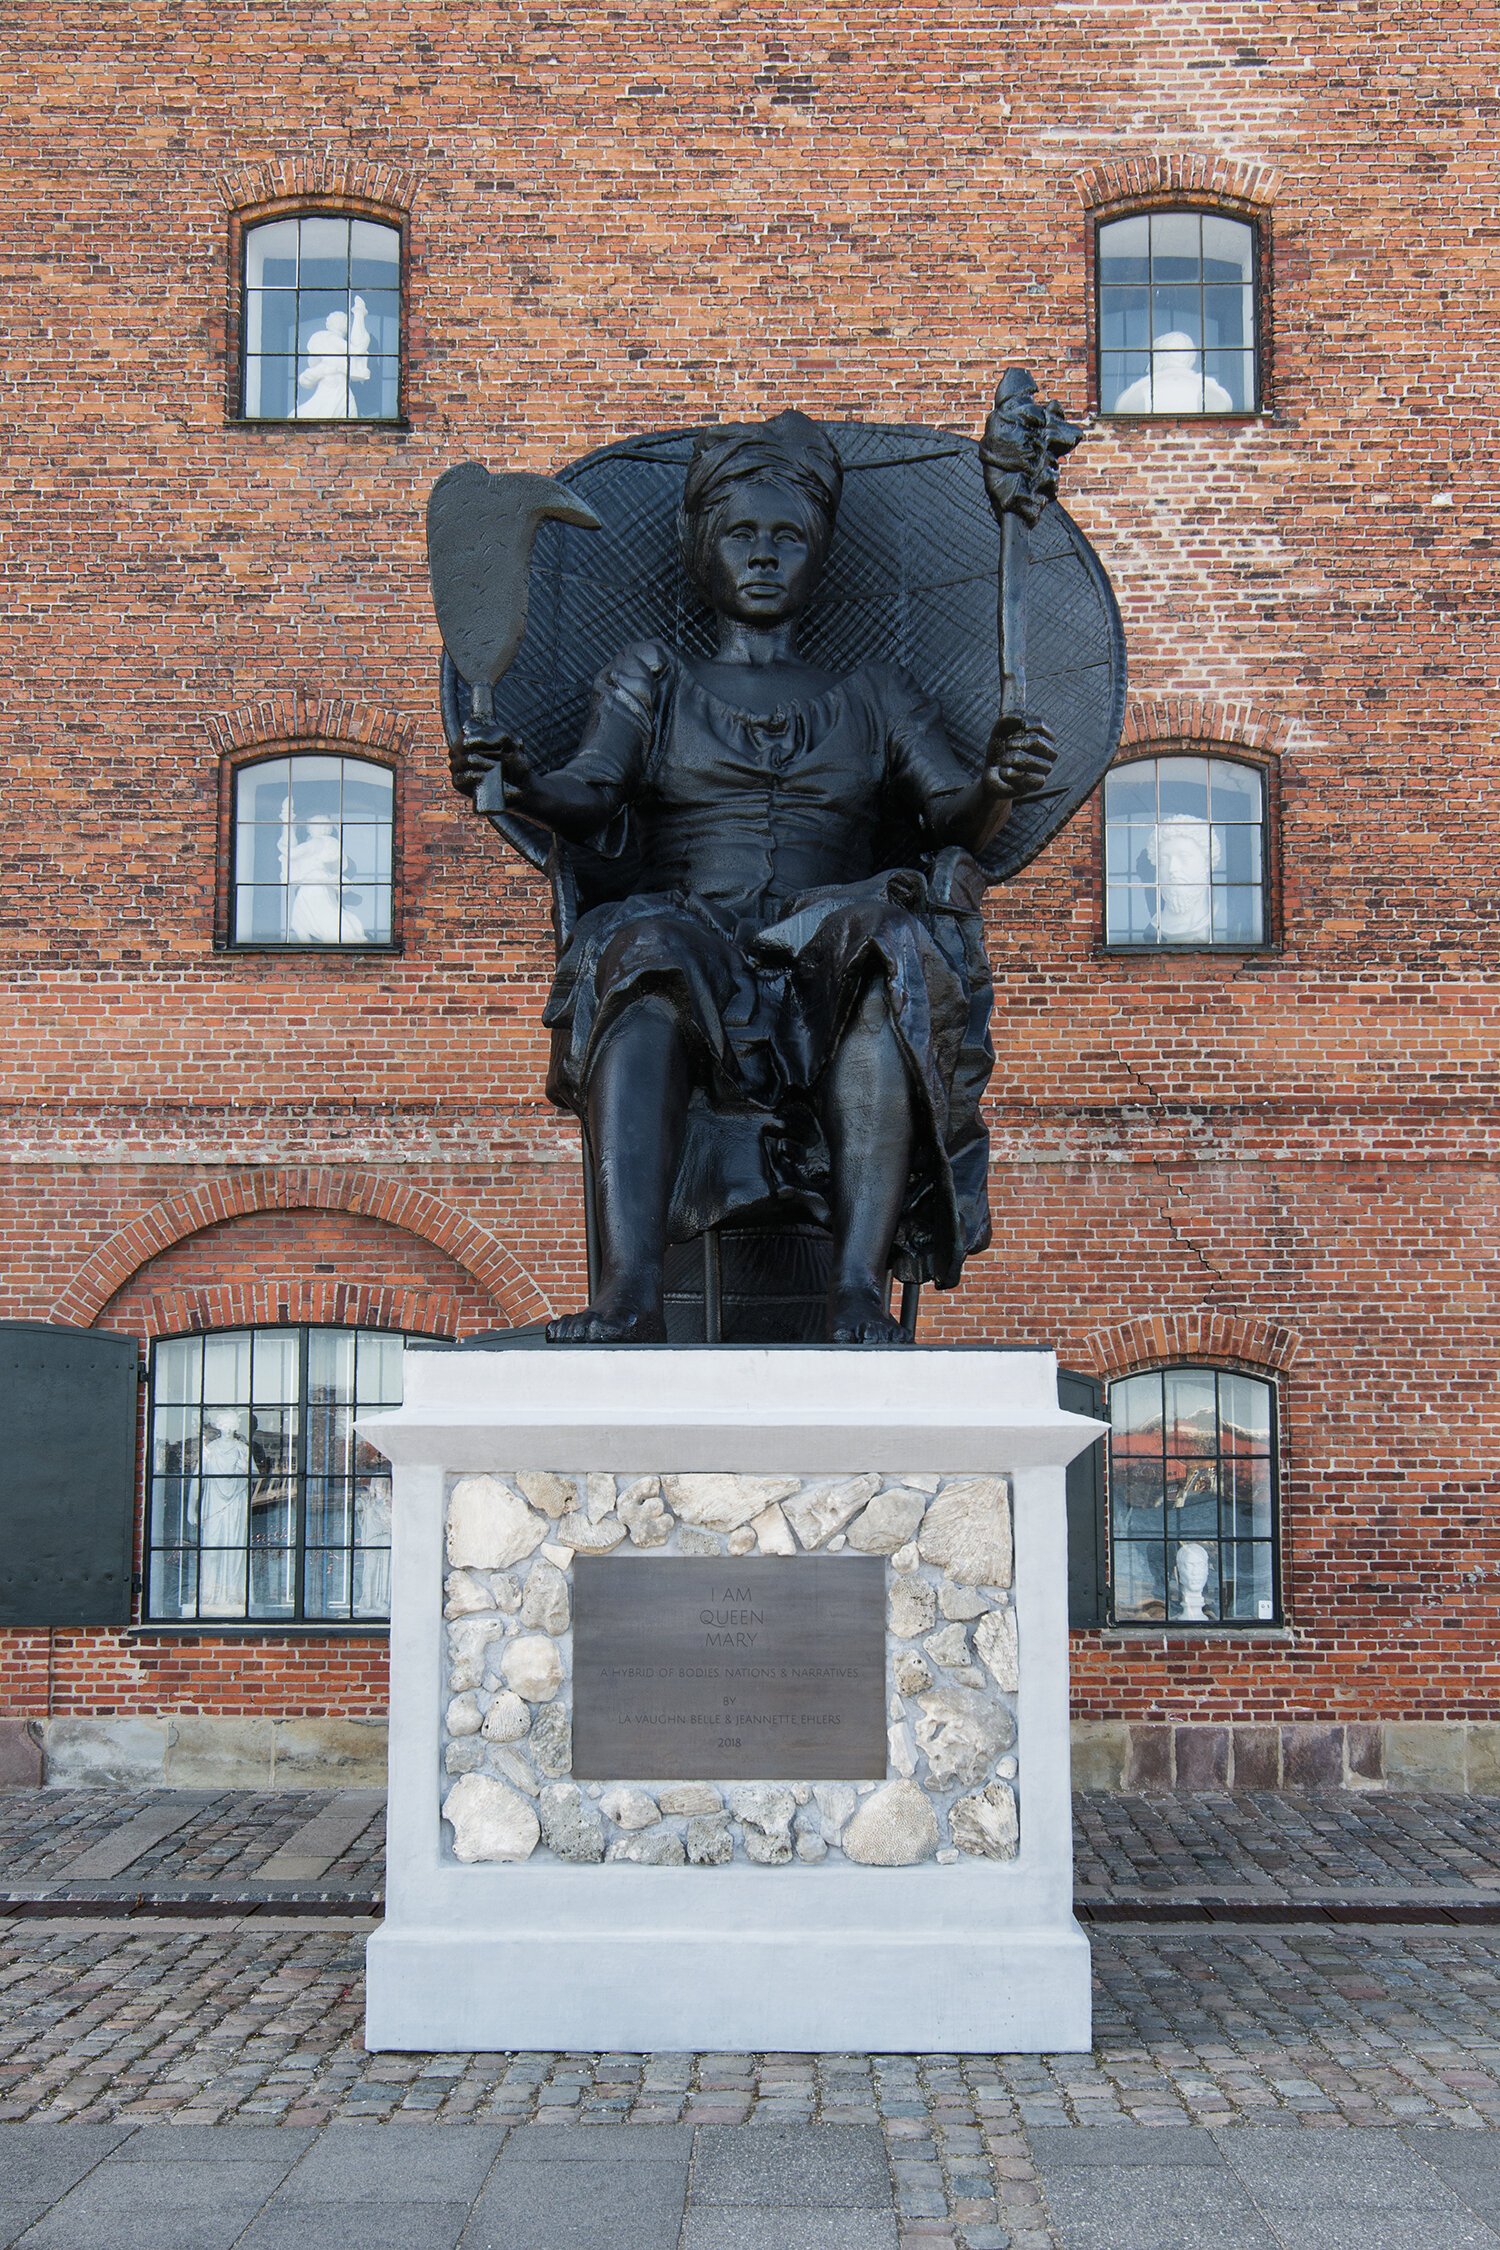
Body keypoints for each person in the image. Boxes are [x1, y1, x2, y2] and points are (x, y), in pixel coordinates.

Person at [456, 411, 1056, 1344]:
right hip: (695, 929)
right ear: (703, 550)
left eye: (789, 537)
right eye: (741, 535)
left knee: (892, 951)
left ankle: (855, 1288)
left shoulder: (877, 690)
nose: (764, 556)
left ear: (820, 556)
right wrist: (521, 777)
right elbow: (589, 790)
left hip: (831, 935)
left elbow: (954, 820)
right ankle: (632, 1296)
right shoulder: (649, 676)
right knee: (641, 955)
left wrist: (996, 784)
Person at [1113, 332, 1234, 415]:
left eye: (1152, 357)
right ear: (1191, 359)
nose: (1147, 368)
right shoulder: (1211, 390)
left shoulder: (1140, 392)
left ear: (1161, 356)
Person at [295, 296, 372, 419]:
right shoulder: (329, 338)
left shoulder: (321, 338)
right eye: (342, 320)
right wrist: (365, 337)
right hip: (331, 390)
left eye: (345, 320)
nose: (344, 323)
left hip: (340, 390)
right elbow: (356, 350)